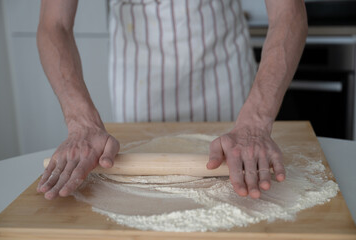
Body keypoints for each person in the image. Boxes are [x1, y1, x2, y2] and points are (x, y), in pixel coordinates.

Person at [36, 0, 307, 200]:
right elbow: (54, 24)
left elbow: (288, 12)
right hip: (140, 91)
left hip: (226, 82)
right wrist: (82, 122)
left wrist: (255, 121)